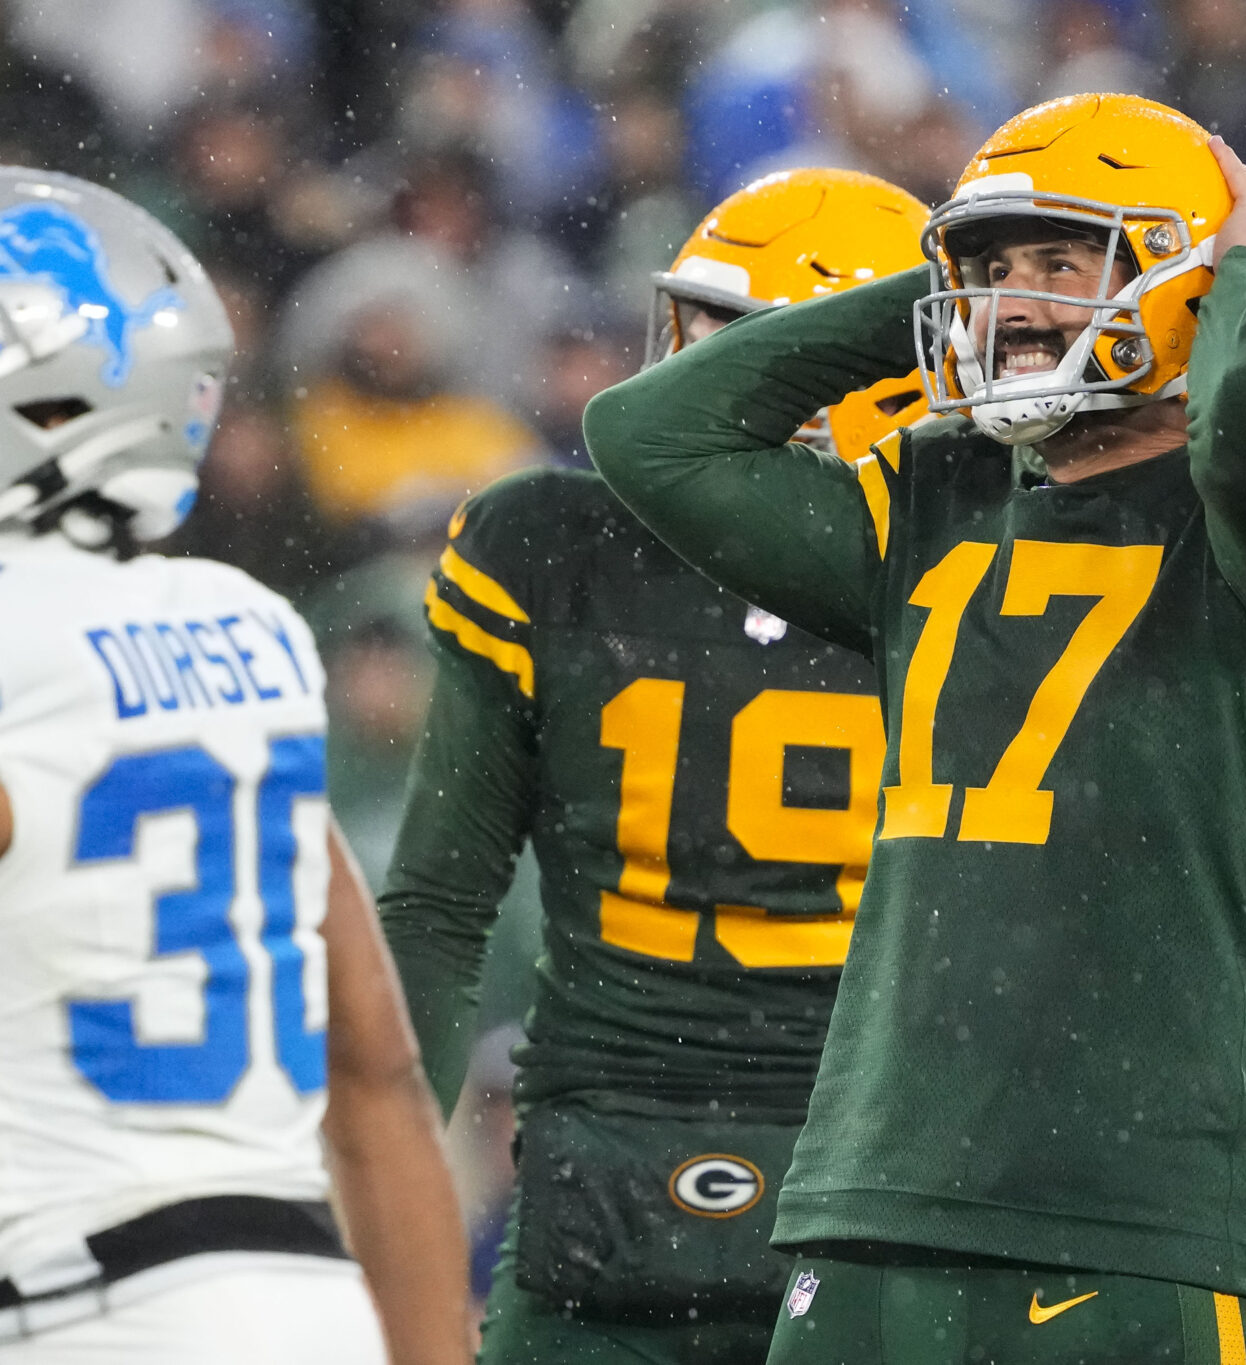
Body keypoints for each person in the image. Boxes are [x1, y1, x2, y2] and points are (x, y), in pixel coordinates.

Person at [586, 94, 1246, 1363]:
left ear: (1185, 280)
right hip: (872, 1196)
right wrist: (922, 302)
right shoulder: (935, 492)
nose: (1018, 301)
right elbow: (649, 435)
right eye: (988, 271)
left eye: (1058, 259)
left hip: (1126, 1214)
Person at [0, 167, 469, 1365]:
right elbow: (379, 1085)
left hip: (80, 1320)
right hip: (313, 1310)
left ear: (53, 396)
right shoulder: (246, 629)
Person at [379, 165, 928, 1365]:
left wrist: (381, 1197)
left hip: (608, 1197)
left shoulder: (545, 547)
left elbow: (433, 911)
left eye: (726, 342)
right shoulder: (974, 573)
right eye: (688, 329)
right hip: (872, 1198)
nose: (680, 365)